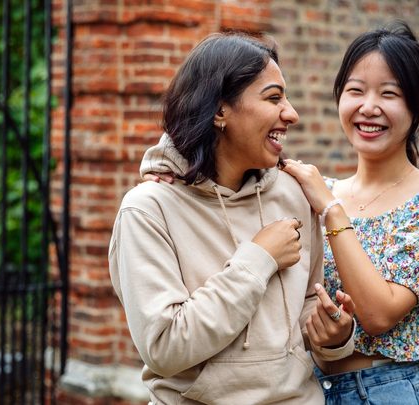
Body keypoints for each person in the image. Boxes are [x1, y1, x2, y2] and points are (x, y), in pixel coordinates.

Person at [108, 32, 358, 405]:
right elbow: (164, 346)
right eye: (274, 98)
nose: (292, 113)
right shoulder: (148, 210)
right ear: (220, 110)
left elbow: (303, 306)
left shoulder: (293, 193)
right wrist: (258, 258)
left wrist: (333, 334)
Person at [281, 21, 419, 404]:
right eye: (355, 90)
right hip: (305, 391)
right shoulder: (315, 191)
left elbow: (379, 314)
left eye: (390, 94)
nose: (369, 107)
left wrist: (332, 211)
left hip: (385, 390)